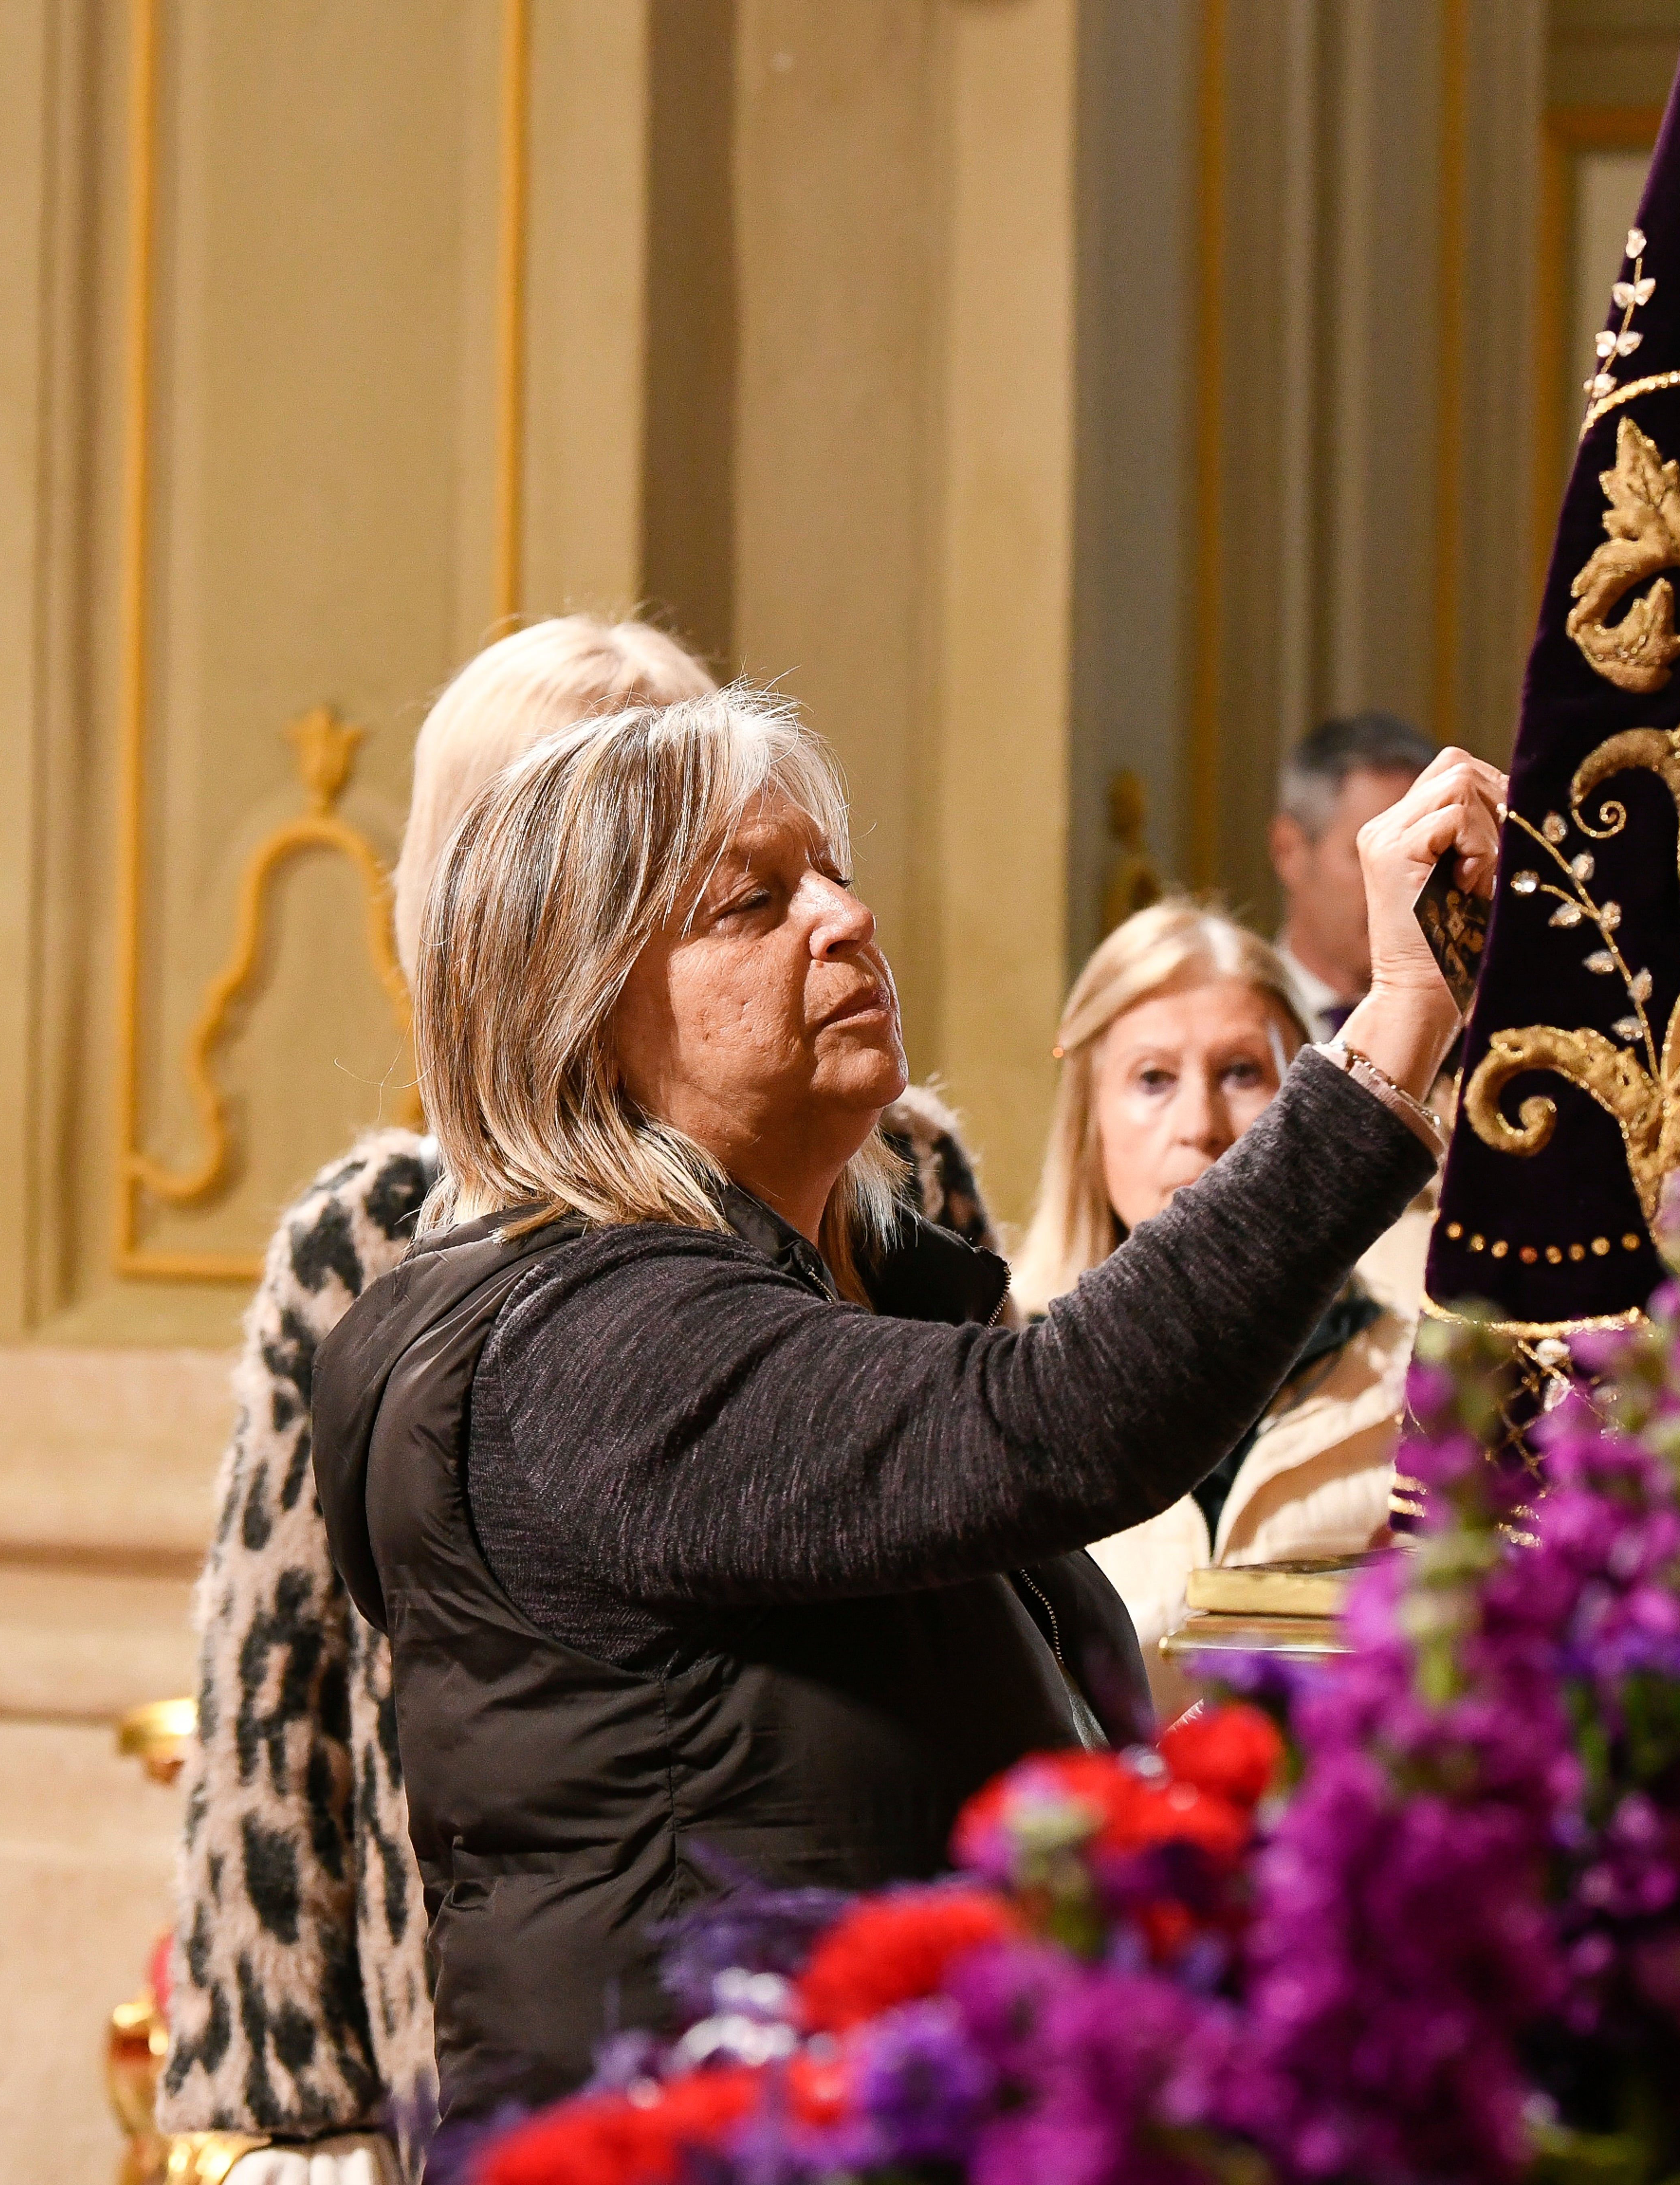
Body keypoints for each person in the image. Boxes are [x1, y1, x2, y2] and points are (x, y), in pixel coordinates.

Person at [312, 684, 1502, 2124]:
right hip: (703, 2140)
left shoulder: (834, 1290)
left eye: (833, 870)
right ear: (580, 1005)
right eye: (750, 900)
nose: (842, 917)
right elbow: (1066, 1420)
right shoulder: (582, 1340)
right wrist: (1392, 1026)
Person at [159, 617, 999, 2183]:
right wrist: (275, 2110)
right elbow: (274, 1691)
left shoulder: (906, 1168)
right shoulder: (376, 1230)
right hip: (498, 1981)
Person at [1011, 902, 1415, 1719]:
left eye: (1240, 1073)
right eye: (1152, 1079)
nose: (1200, 1127)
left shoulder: (1422, 1379)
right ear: (1089, 1120)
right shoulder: (997, 1382)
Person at [1268, 709, 1436, 1041]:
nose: (1414, 885)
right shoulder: (1235, 1017)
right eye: (1376, 853)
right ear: (1289, 850)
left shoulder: (1471, 1032)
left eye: (1429, 857)